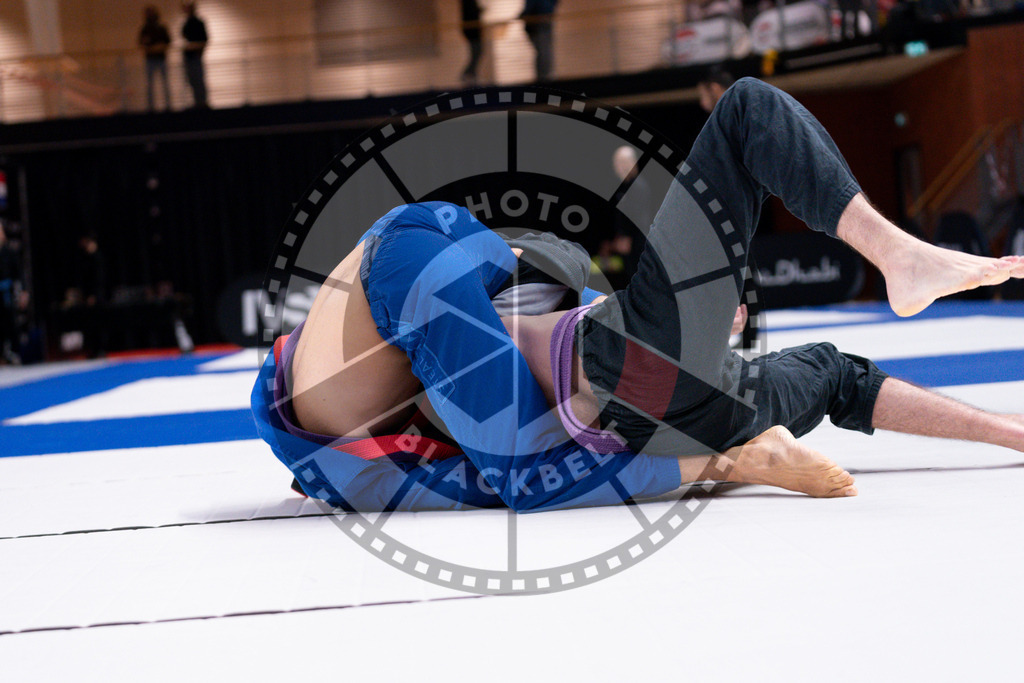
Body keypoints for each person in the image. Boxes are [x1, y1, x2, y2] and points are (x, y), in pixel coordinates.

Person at [252, 79, 1024, 513]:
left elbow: (514, 472)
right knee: (746, 112)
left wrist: (722, 463)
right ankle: (904, 272)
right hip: (644, 377)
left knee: (809, 366)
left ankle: (980, 391)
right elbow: (514, 474)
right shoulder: (430, 294)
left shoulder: (436, 314)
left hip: (645, 378)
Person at [138, 5, 172, 111]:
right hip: (150, 59)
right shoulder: (144, 29)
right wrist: (149, 46)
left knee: (165, 83)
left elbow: (168, 41)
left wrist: (160, 46)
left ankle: (168, 105)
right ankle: (151, 107)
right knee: (150, 85)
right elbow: (141, 43)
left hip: (161, 59)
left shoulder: (161, 27)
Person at [520, 0, 558, 81]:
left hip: (540, 20)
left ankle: (544, 77)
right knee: (543, 51)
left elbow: (533, 5)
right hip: (537, 20)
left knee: (543, 51)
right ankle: (544, 76)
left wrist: (525, 14)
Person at [181, 2, 209, 108]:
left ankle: (202, 102)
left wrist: (199, 49)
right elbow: (183, 36)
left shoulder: (198, 23)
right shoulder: (186, 23)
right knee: (192, 80)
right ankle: (196, 101)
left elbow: (204, 39)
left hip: (196, 55)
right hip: (188, 56)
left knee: (199, 79)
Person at [461, 0, 483, 84]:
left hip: (473, 31)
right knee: (477, 52)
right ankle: (468, 73)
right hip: (472, 31)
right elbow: (470, 13)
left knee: (477, 52)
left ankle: (472, 73)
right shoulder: (467, 2)